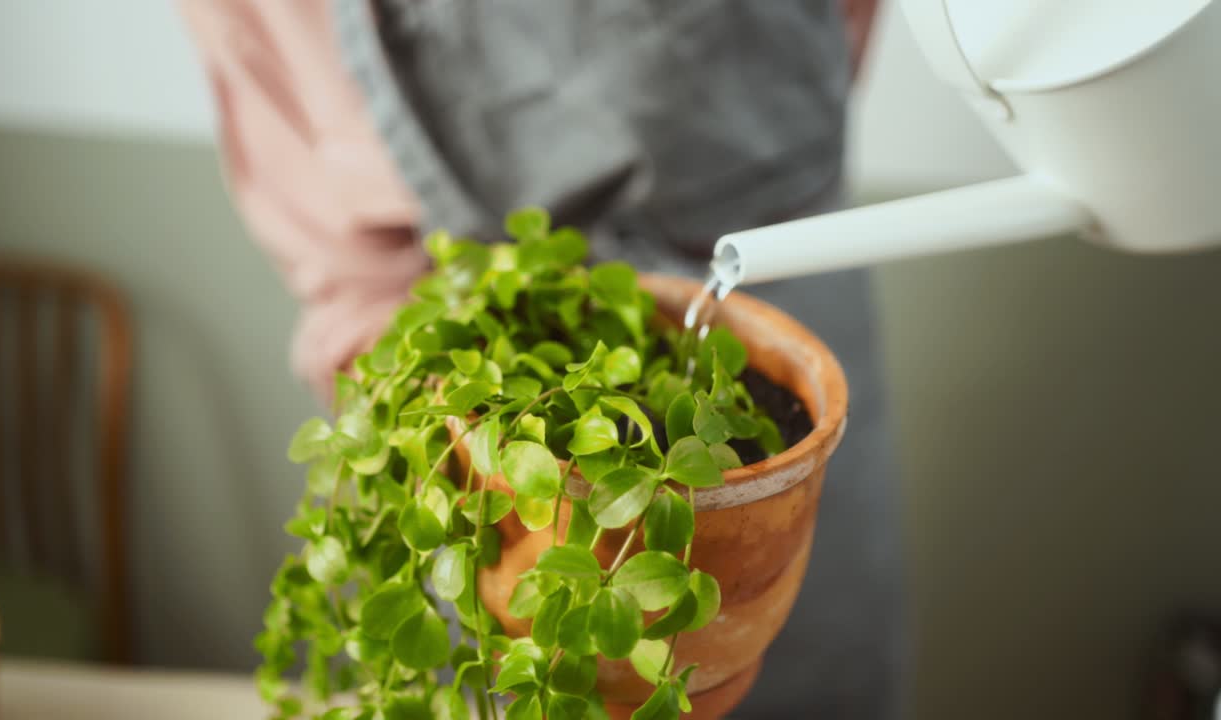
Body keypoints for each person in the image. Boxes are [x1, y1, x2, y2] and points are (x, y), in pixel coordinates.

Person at [180, 2, 905, 717]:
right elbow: (272, 83)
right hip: (444, 318)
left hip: (765, 265)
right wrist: (408, 367)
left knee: (805, 668)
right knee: (488, 672)